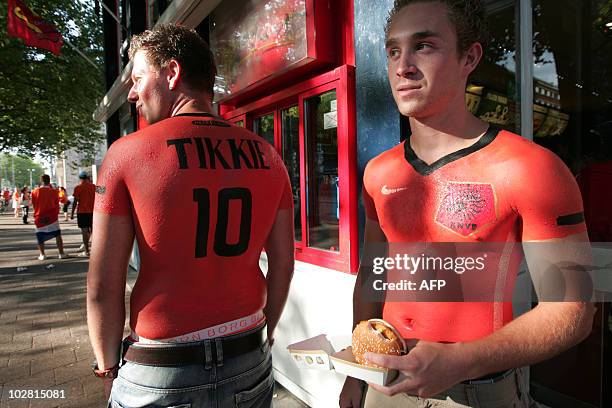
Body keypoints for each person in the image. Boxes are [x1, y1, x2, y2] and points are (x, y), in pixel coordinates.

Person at [339, 1, 594, 407]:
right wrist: (357, 372)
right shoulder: (378, 172)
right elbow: (373, 276)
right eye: (392, 51)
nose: (402, 65)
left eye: (423, 46)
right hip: (384, 381)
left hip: (476, 390)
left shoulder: (533, 168)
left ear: (469, 57)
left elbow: (574, 313)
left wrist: (460, 360)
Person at [87, 24, 295, 407]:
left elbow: (103, 283)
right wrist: (268, 330)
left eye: (137, 78)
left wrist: (106, 368)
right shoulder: (268, 156)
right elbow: (283, 264)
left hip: (161, 366)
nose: (132, 93)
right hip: (247, 358)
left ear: (171, 72)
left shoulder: (126, 154)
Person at [31, 175, 67, 260]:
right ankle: (61, 253)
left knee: (40, 236)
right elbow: (58, 203)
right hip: (52, 216)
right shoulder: (54, 192)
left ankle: (42, 254)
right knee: (57, 234)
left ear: (41, 181)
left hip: (40, 216)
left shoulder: (34, 192)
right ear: (49, 181)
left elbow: (34, 204)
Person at [71, 171, 96, 256]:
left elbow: (75, 201)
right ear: (88, 178)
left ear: (80, 178)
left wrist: (72, 213)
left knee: (84, 232)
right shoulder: (95, 187)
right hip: (93, 212)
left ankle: (87, 251)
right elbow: (104, 193)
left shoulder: (78, 188)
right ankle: (95, 250)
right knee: (94, 231)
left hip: (82, 212)